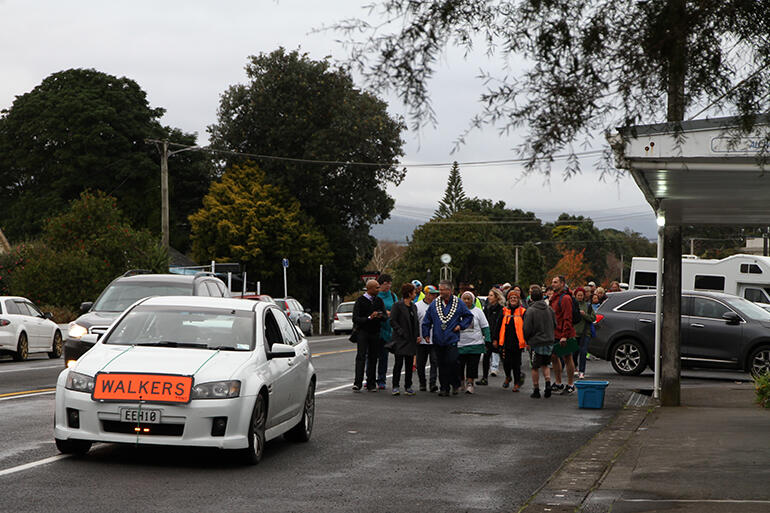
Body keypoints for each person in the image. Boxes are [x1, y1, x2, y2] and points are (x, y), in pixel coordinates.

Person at [422, 280, 473, 397]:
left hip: (452, 338)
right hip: (438, 338)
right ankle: (444, 387)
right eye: (439, 289)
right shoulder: (434, 304)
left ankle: (455, 383)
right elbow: (427, 320)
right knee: (441, 364)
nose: (440, 292)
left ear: (449, 291)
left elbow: (468, 316)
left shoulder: (458, 303)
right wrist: (426, 334)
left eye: (442, 289)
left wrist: (460, 326)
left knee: (452, 361)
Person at [352, 280, 386, 392]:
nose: (378, 290)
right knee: (361, 357)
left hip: (375, 332)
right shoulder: (361, 301)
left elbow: (385, 316)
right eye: (376, 288)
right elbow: (355, 318)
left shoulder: (379, 300)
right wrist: (369, 318)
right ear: (369, 289)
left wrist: (380, 315)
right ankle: (357, 383)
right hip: (363, 332)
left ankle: (371, 383)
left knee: (373, 358)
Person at [522, 285, 556, 398]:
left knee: (535, 366)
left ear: (531, 298)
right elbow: (555, 324)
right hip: (549, 341)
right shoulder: (549, 309)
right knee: (545, 364)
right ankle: (548, 384)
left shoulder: (530, 311)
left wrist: (527, 339)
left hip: (536, 342)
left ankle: (536, 389)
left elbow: (526, 328)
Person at [492, 291, 527, 392]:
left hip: (517, 342)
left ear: (518, 300)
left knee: (516, 364)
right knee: (506, 363)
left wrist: (527, 341)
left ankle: (516, 383)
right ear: (508, 300)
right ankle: (508, 377)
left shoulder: (523, 311)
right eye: (511, 298)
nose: (513, 300)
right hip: (505, 341)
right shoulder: (504, 311)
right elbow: (497, 325)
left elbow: (526, 327)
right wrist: (495, 339)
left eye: (515, 298)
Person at [390, 283, 420, 396]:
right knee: (398, 363)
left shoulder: (413, 306)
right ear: (409, 293)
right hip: (400, 340)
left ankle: (408, 386)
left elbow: (416, 322)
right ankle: (395, 386)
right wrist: (400, 331)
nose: (415, 294)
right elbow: (392, 321)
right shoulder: (397, 306)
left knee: (409, 364)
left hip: (411, 340)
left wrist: (417, 335)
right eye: (414, 292)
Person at [549, 275, 578, 395]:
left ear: (562, 284)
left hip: (564, 333)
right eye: (552, 282)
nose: (553, 284)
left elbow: (568, 317)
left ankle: (570, 384)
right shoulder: (554, 298)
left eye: (555, 282)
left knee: (567, 357)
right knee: (554, 357)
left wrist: (565, 335)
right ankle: (558, 382)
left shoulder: (565, 298)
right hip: (555, 332)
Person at [457, 291, 489, 394]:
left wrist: (487, 339)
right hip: (460, 344)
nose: (466, 301)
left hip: (475, 344)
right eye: (464, 299)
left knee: (472, 365)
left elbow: (485, 326)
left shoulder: (478, 311)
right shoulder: (457, 311)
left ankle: (470, 383)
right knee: (459, 365)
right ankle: (460, 381)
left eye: (468, 299)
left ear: (473, 300)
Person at [478, 287, 505, 385]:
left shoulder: (501, 309)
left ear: (497, 297)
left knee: (504, 359)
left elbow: (499, 325)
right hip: (488, 336)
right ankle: (484, 378)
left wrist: (496, 338)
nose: (489, 297)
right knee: (486, 357)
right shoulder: (487, 308)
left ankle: (511, 377)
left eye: (491, 295)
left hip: (497, 337)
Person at [415, 285, 439, 392]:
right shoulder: (417, 306)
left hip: (435, 339)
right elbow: (415, 323)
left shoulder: (439, 306)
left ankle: (432, 383)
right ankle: (422, 383)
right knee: (421, 363)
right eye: (432, 294)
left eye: (435, 294)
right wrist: (416, 336)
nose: (434, 296)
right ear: (426, 294)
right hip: (421, 340)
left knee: (435, 361)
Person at [376, 274, 398, 389]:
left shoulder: (393, 296)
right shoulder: (375, 295)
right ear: (380, 284)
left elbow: (398, 309)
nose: (388, 286)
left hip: (388, 330)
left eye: (390, 283)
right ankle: (369, 378)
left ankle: (381, 380)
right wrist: (383, 313)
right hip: (375, 330)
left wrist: (392, 313)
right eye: (386, 283)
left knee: (384, 357)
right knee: (371, 356)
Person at [572, 287, 596, 379]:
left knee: (583, 352)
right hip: (574, 332)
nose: (580, 297)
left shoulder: (588, 306)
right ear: (575, 295)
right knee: (574, 352)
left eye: (581, 295)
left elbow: (593, 318)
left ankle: (582, 371)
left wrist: (584, 315)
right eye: (578, 295)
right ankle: (575, 367)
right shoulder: (572, 305)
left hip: (585, 332)